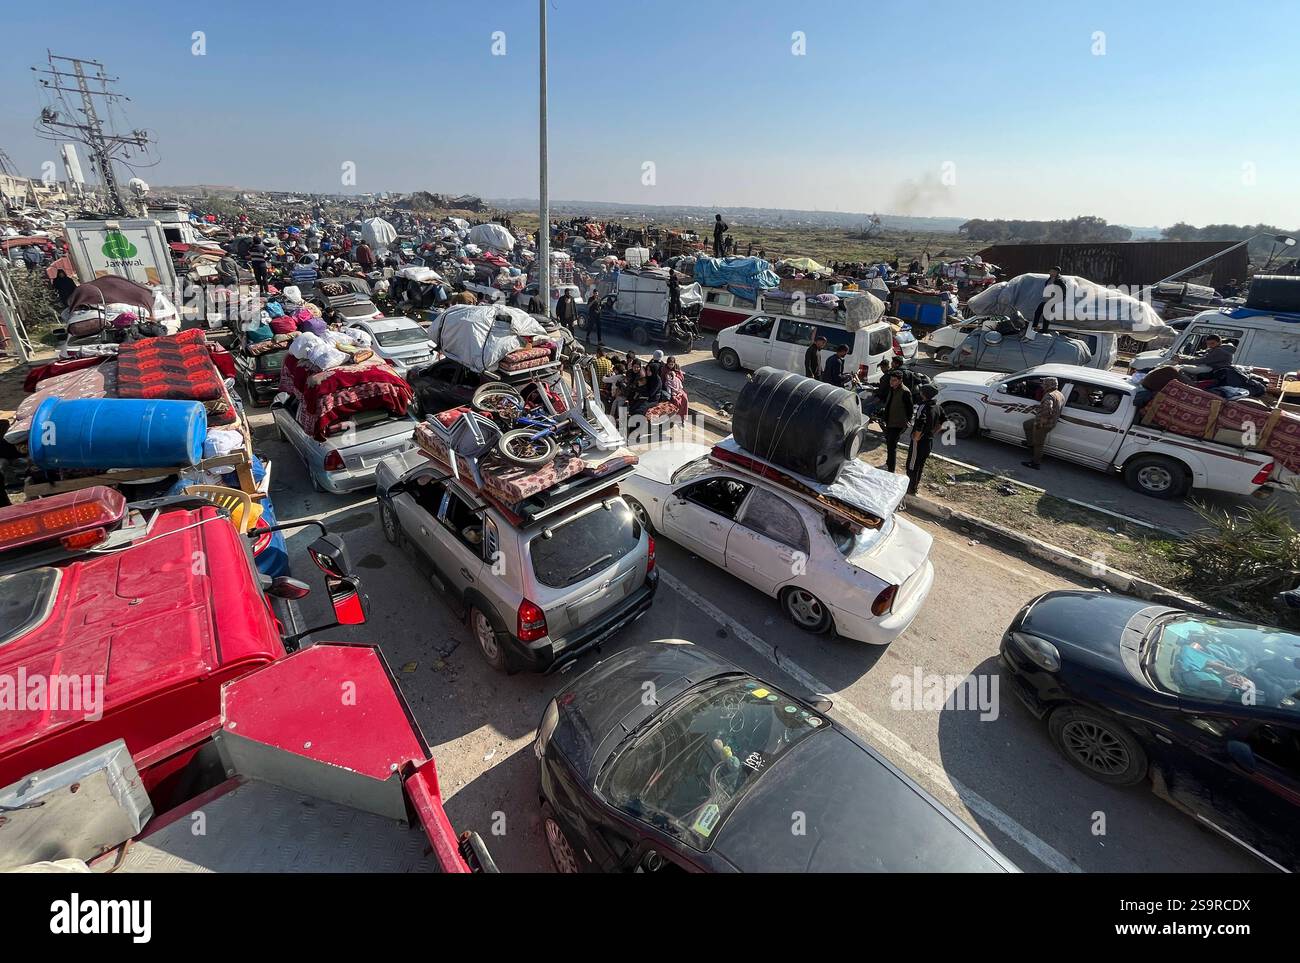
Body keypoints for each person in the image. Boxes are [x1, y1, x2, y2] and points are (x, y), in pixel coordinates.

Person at [906, 384, 944, 495]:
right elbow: (942, 422)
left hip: (919, 442)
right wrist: (933, 432)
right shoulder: (938, 407)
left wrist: (916, 437)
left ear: (924, 394)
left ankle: (910, 488)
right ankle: (915, 487)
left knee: (912, 466)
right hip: (929, 441)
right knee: (920, 465)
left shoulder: (923, 407)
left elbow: (920, 423)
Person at [1022, 376, 1065, 470]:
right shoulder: (1059, 394)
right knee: (1027, 424)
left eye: (1044, 383)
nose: (1042, 385)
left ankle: (1035, 463)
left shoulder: (1049, 395)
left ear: (1048, 385)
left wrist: (1041, 423)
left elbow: (1047, 409)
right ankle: (1031, 444)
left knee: (1039, 444)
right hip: (1051, 421)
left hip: (1043, 423)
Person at [879, 370, 914, 473]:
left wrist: (906, 421)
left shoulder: (905, 392)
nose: (891, 382)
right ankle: (889, 463)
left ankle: (891, 470)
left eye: (894, 380)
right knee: (889, 444)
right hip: (890, 421)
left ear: (900, 381)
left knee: (892, 445)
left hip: (898, 423)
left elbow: (910, 410)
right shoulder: (892, 389)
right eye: (891, 380)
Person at [1032, 266, 1065, 333]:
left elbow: (1063, 291)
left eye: (1052, 271)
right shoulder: (1050, 278)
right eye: (1050, 271)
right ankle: (1034, 326)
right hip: (1046, 299)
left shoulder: (1059, 280)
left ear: (1056, 272)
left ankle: (1044, 330)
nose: (1050, 272)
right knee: (1038, 312)